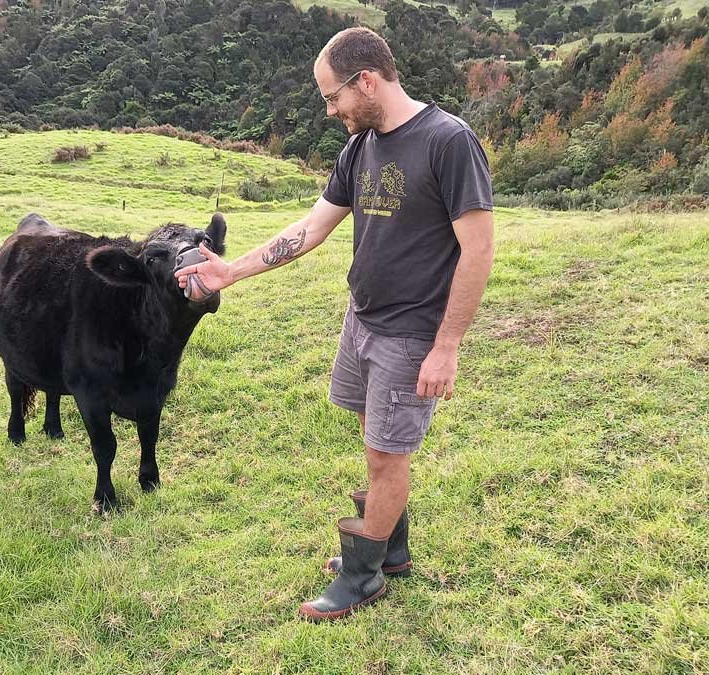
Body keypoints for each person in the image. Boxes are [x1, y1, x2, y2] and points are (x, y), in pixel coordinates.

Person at [174, 26, 495, 621]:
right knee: (373, 431)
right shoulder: (360, 148)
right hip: (362, 319)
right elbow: (311, 229)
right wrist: (230, 273)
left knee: (385, 456)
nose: (330, 110)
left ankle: (362, 575)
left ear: (366, 81)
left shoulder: (448, 142)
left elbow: (477, 249)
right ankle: (390, 548)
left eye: (333, 97)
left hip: (411, 332)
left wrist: (446, 345)